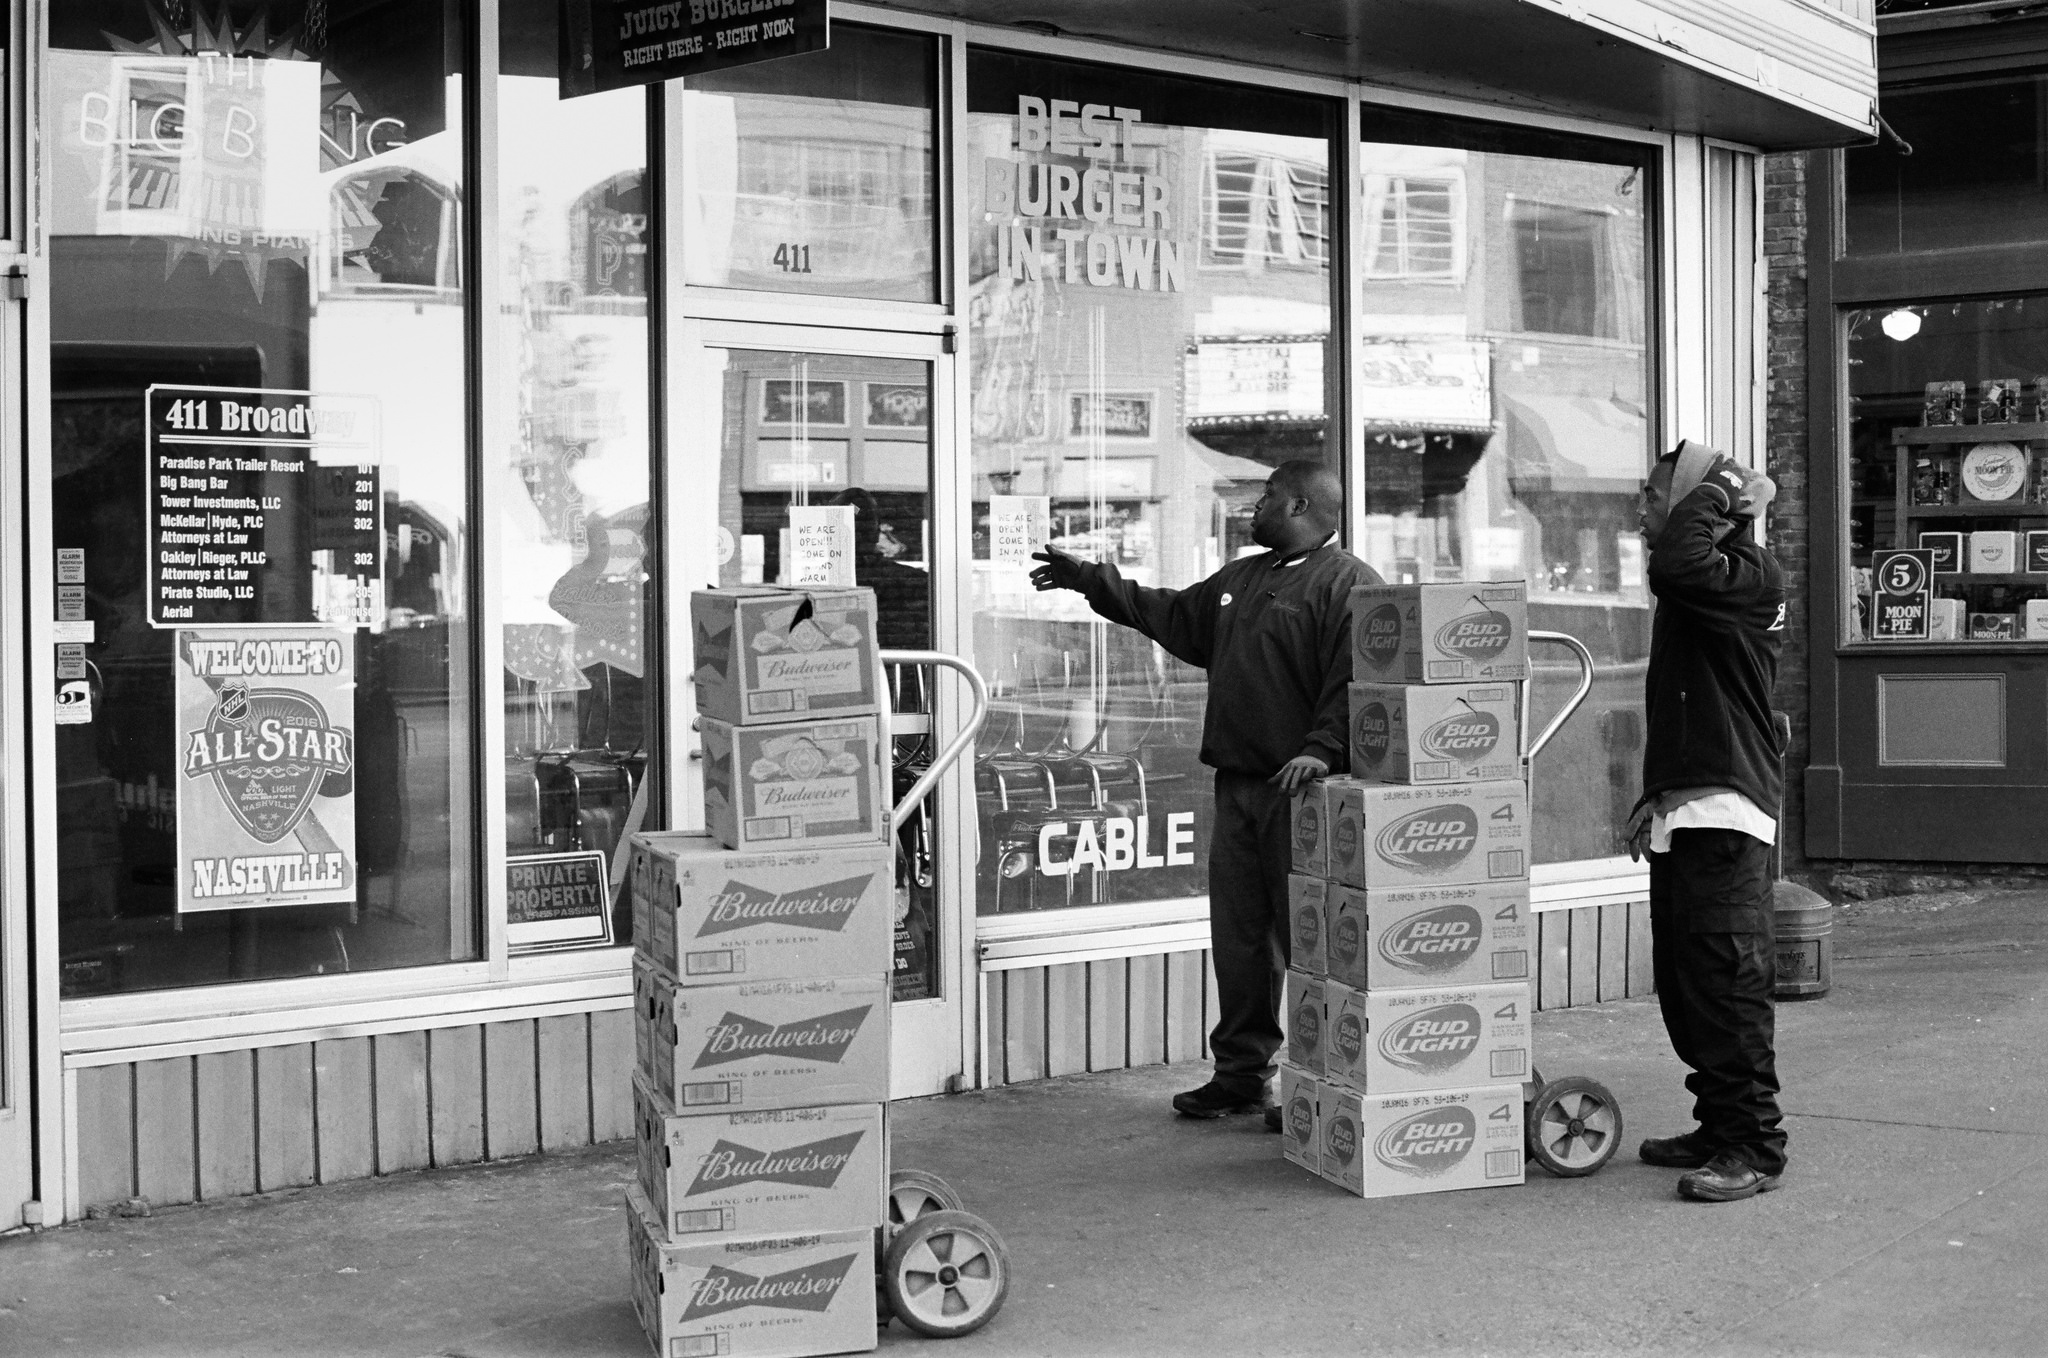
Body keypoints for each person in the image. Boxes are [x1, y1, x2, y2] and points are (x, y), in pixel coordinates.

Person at [1030, 460, 1379, 1121]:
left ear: (1302, 503)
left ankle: (1316, 1077)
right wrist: (1091, 584)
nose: (1257, 506)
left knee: (1309, 939)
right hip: (1240, 786)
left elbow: (1358, 677)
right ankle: (1242, 1075)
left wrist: (1320, 748)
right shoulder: (1242, 580)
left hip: (1303, 790)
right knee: (1241, 938)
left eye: (1269, 496)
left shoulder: (1349, 584)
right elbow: (1175, 614)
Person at [1627, 439, 1789, 1202]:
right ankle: (1719, 1123)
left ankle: (1752, 1146)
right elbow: (1689, 704)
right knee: (1687, 985)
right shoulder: (1701, 590)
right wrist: (1655, 794)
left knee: (1726, 986)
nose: (1644, 510)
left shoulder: (1747, 575)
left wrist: (1724, 489)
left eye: (1656, 496)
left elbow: (1677, 561)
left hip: (1728, 813)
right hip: (1690, 806)